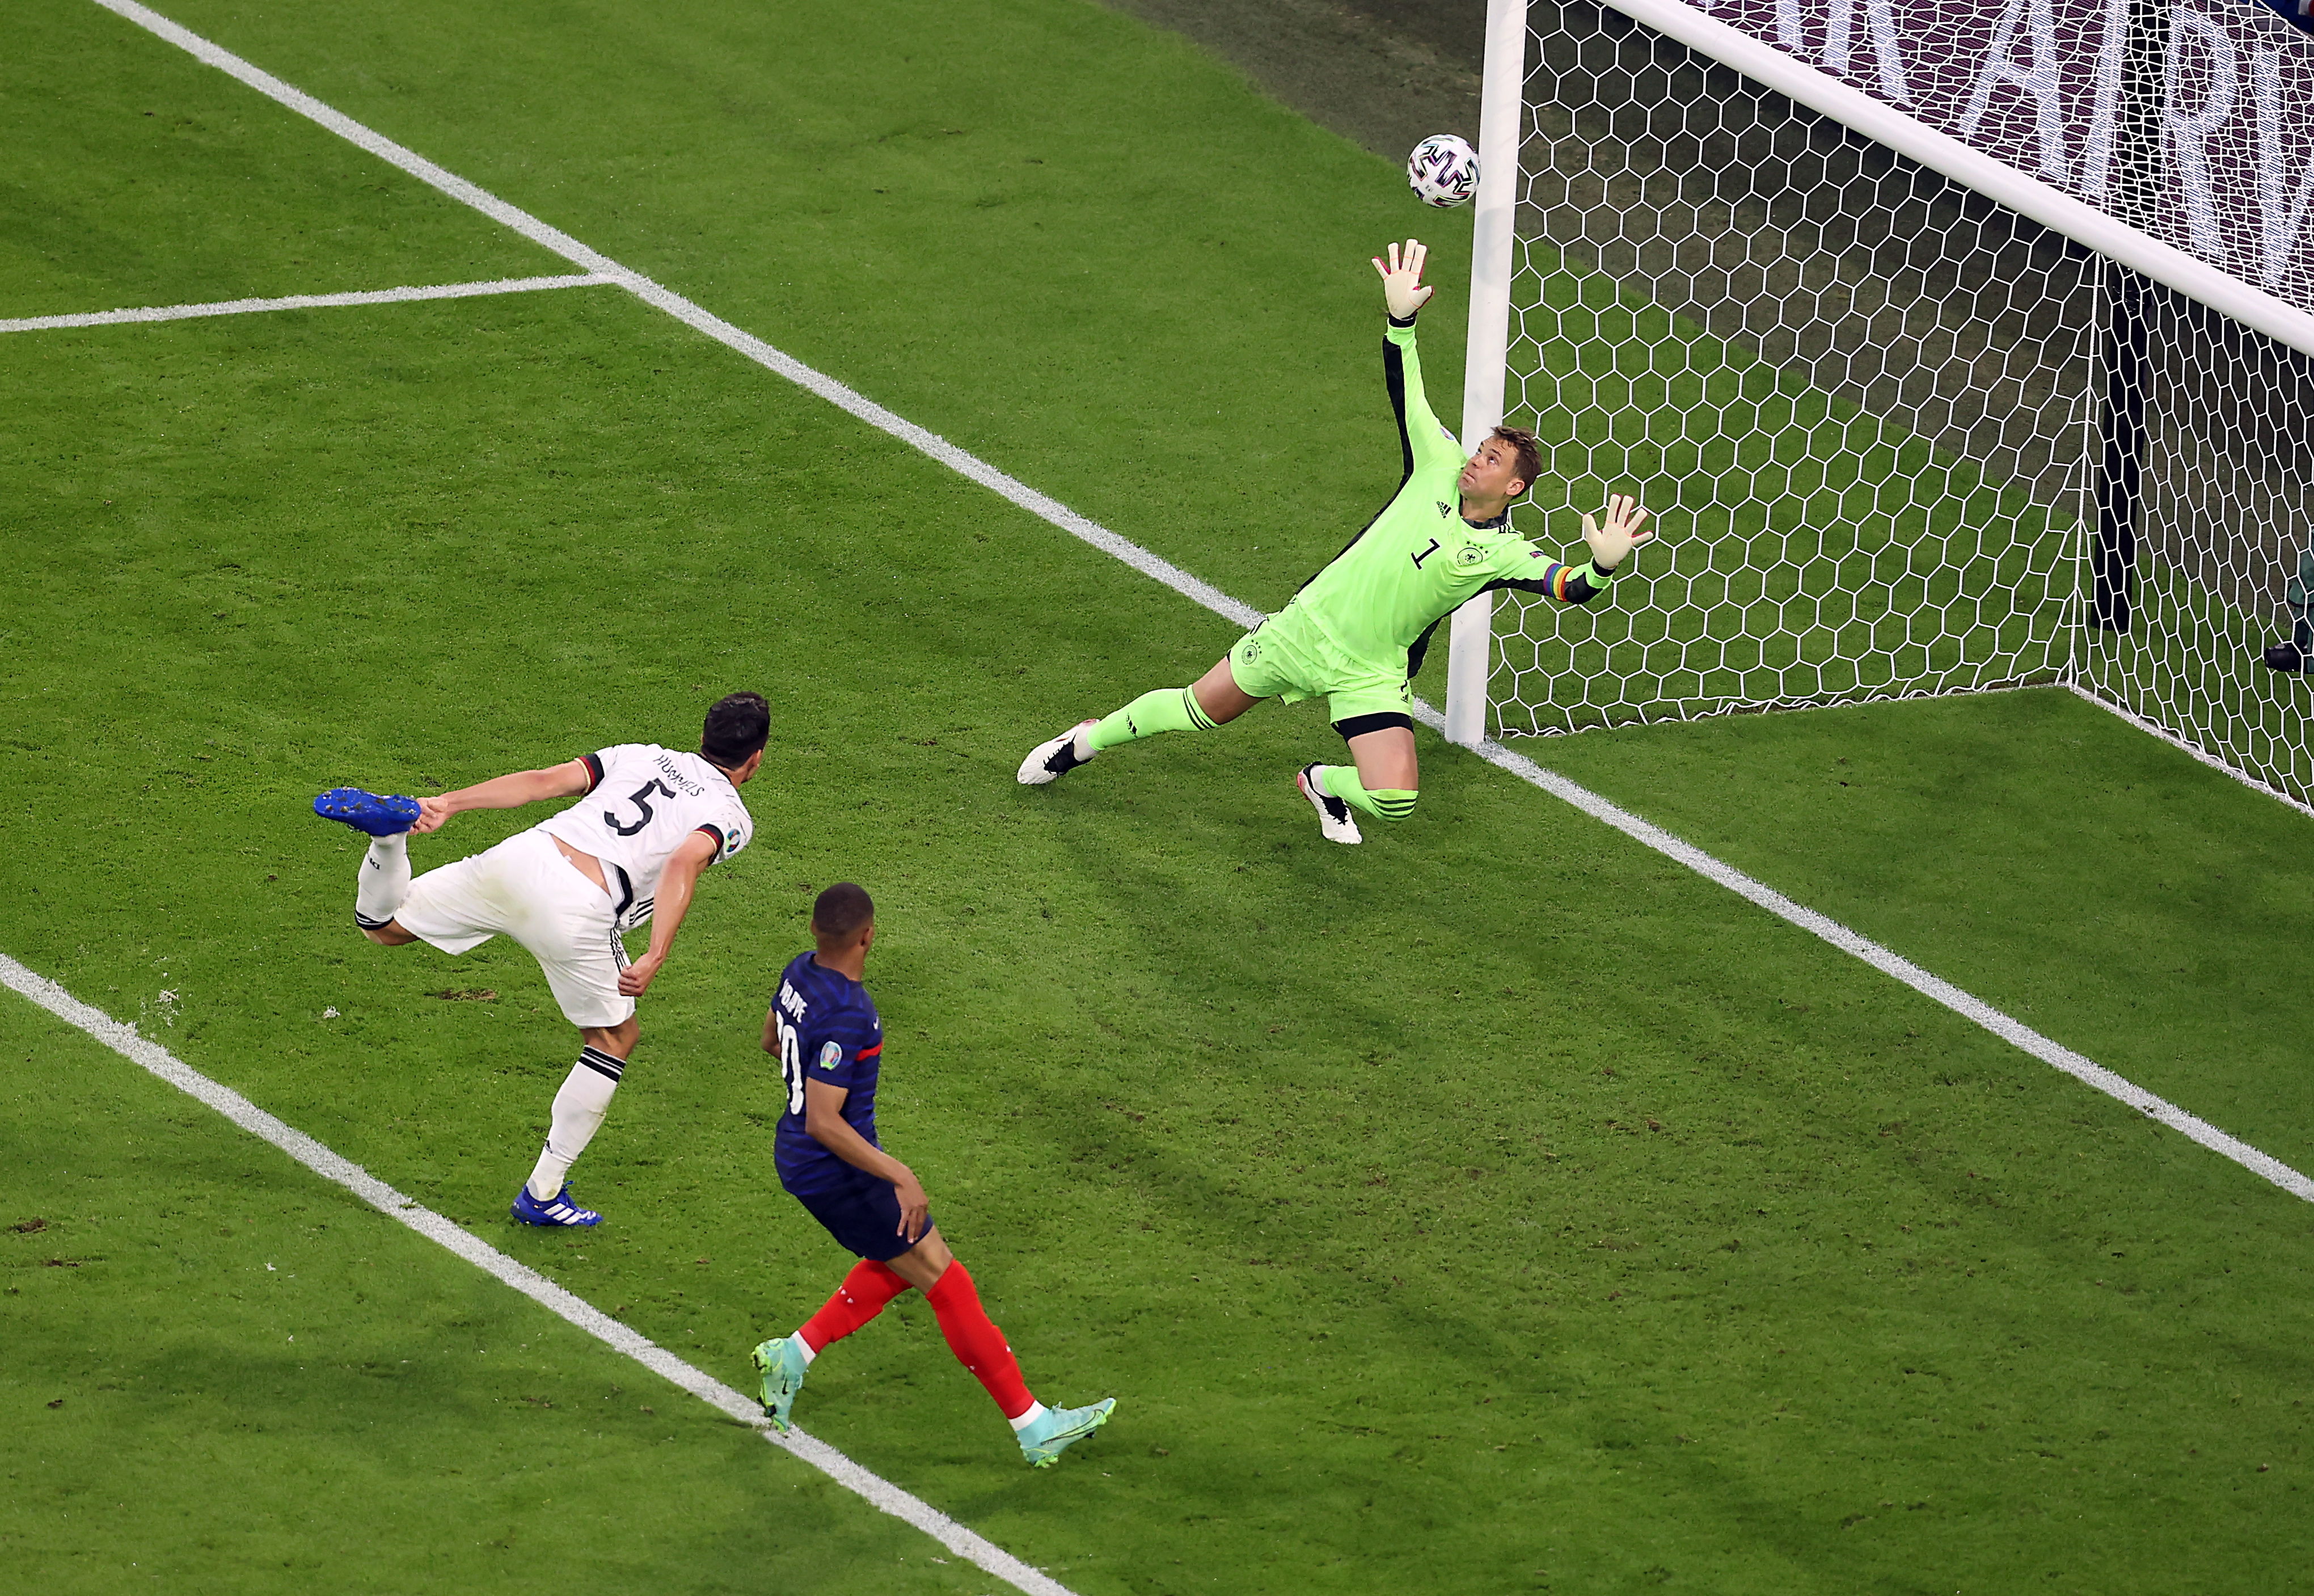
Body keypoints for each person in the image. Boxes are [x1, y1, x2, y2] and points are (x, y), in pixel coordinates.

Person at [1016, 238, 1656, 844]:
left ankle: (1322, 784)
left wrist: (1602, 565)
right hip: (1306, 630)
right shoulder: (1434, 464)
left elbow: (1568, 587)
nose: (1474, 461)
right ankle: (1083, 742)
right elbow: (1407, 390)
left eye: (1491, 460)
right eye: (1480, 450)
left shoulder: (1503, 553)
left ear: (1513, 488)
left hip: (1371, 672)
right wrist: (1400, 321)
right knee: (1199, 710)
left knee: (1396, 800)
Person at [310, 691, 767, 1227]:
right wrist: (656, 952)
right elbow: (683, 863)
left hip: (524, 856)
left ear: (703, 737)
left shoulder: (641, 755)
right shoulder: (729, 815)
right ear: (756, 759)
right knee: (613, 1039)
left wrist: (450, 802)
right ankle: (543, 1192)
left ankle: (389, 841)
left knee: (385, 927)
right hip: (580, 906)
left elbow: (542, 782)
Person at [750, 884, 1115, 1468]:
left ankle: (792, 1356)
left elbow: (772, 1040)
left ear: (816, 932)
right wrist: (899, 1173)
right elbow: (824, 1120)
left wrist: (811, 1081)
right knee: (947, 1280)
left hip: (803, 1155)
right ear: (868, 935)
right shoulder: (851, 1012)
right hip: (836, 1169)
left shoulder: (798, 972)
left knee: (902, 1260)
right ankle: (1034, 1426)